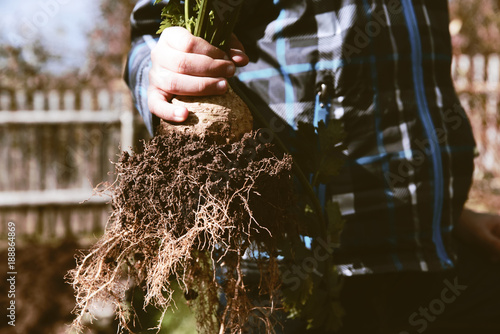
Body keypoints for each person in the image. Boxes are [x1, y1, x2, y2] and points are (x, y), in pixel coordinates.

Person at [125, 0, 500, 332]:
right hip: (289, 259)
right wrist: (161, 71)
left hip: (433, 244)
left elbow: (404, 79)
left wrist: (450, 209)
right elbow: (149, 36)